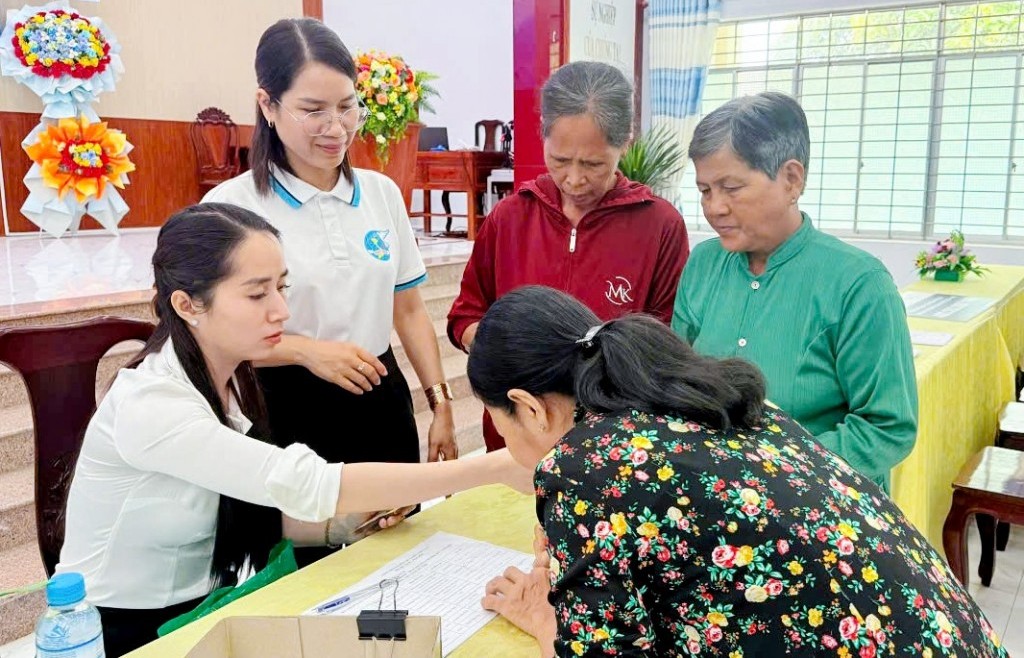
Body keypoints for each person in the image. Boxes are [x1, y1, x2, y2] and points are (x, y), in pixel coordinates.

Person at [56, 204, 527, 657]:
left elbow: (247, 515)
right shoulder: (153, 404)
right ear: (187, 304)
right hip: (127, 635)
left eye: (282, 287)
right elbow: (306, 483)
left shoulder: (232, 379)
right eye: (257, 294)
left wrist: (348, 522)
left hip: (207, 608)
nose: (282, 310)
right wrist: (494, 467)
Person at [468, 286, 1005, 658]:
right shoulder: (712, 397)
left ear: (529, 408)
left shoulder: (585, 466)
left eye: (500, 424)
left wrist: (546, 619)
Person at [203, 18, 457, 565]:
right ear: (268, 105)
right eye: (313, 110)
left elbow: (410, 310)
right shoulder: (231, 208)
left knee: (396, 556)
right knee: (305, 565)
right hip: (285, 405)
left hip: (378, 397)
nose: (336, 127)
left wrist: (439, 403)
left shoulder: (381, 195)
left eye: (346, 106)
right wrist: (306, 351)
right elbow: (206, 336)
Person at [672, 91, 917, 492]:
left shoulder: (858, 283)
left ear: (791, 179)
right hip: (715, 491)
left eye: (731, 187)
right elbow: (676, 384)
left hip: (822, 500)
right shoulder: (703, 264)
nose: (714, 207)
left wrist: (771, 468)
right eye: (704, 190)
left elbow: (886, 427)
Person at [447, 60, 690, 452]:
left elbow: (666, 343)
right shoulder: (509, 217)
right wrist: (503, 351)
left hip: (613, 442)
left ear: (625, 143)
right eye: (560, 160)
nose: (574, 179)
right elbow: (466, 315)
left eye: (593, 164)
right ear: (542, 134)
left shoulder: (659, 226)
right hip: (517, 438)